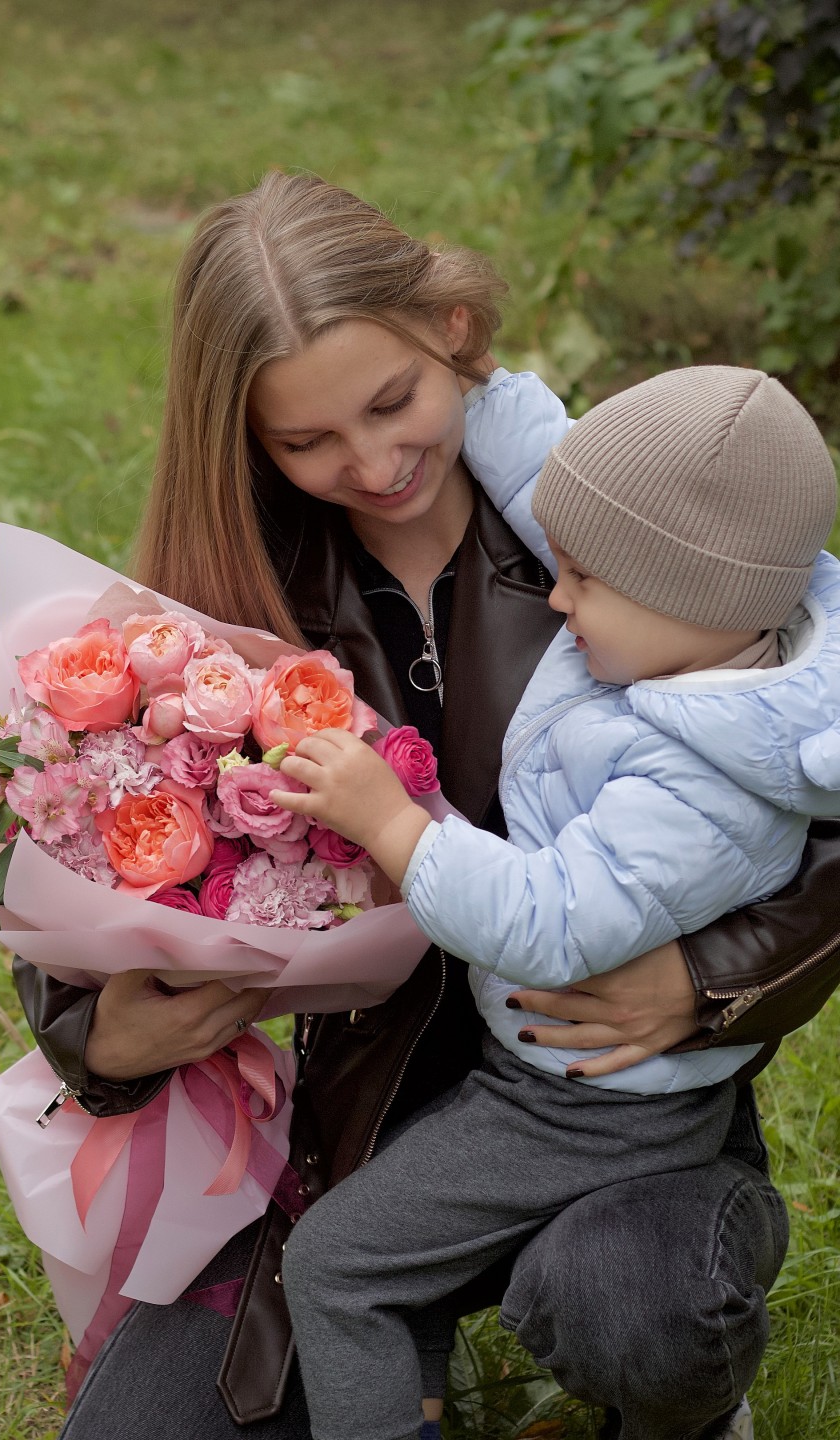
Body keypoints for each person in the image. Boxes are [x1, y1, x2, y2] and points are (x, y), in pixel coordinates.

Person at [11, 173, 840, 1440]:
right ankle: (402, 1358)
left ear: (451, 332)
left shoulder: (623, 538)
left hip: (603, 1111)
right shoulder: (223, 603)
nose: (374, 462)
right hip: (340, 1135)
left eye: (394, 403)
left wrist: (710, 978)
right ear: (245, 437)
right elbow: (71, 864)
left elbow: (812, 781)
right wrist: (96, 1036)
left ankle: (662, 1371)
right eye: (307, 442)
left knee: (634, 1301)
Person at [272, 363, 840, 1440]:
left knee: (339, 1267)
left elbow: (545, 922)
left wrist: (392, 821)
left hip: (587, 1111)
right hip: (549, 1076)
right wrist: (458, 374)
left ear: (684, 596)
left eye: (577, 578)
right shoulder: (698, 630)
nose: (558, 595)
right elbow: (551, 475)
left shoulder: (702, 782)